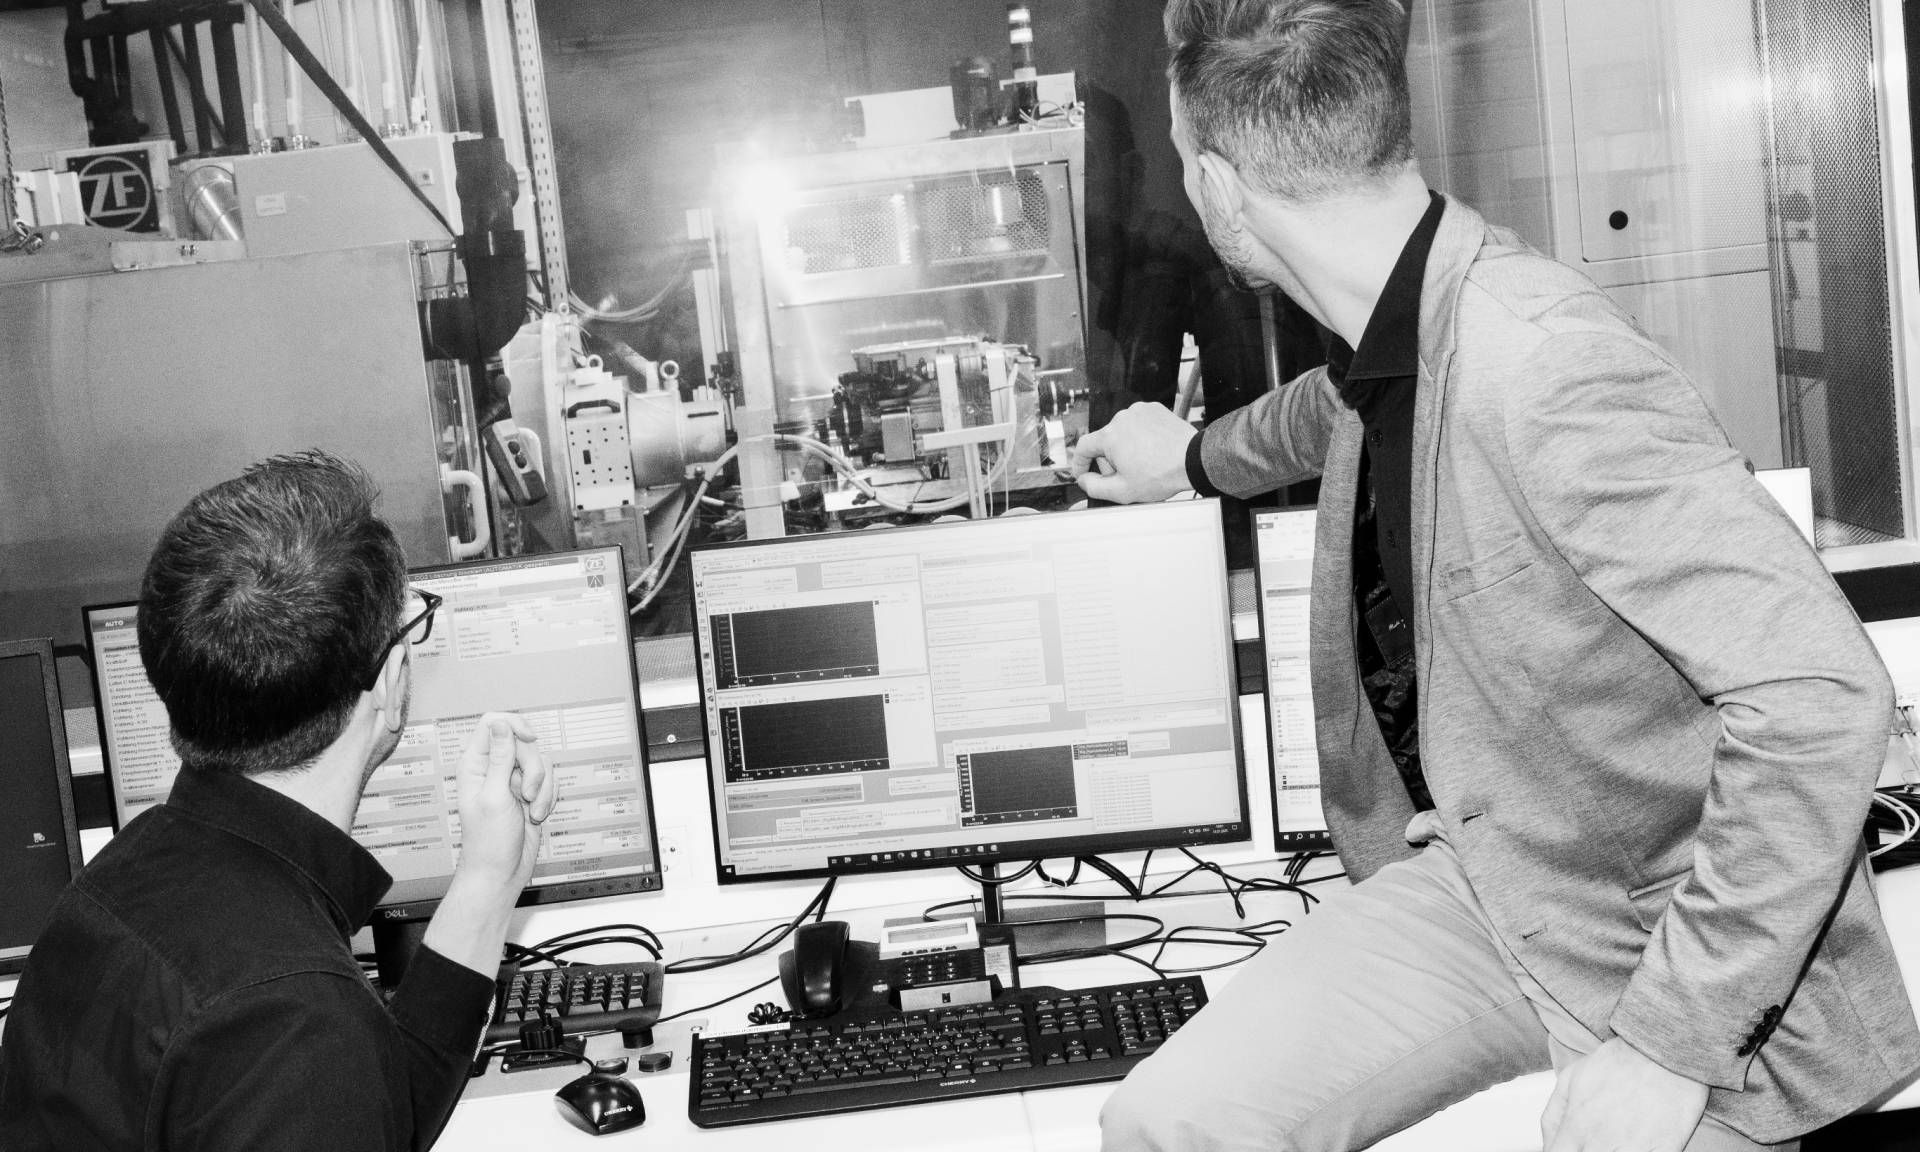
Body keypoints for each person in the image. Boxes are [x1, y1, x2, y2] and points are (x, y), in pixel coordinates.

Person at [1079, 2, 1920, 1150]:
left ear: (1221, 188)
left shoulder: (1545, 368)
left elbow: (1821, 698)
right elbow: (1334, 408)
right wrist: (1187, 459)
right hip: (1491, 868)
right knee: (1169, 1124)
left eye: (1186, 163)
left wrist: (1666, 1050)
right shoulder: (1400, 315)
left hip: (1670, 934)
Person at [0, 451, 557, 1150]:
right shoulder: (295, 1018)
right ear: (388, 681)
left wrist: (489, 882)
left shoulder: (116, 884)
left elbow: (369, 1114)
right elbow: (323, 1085)